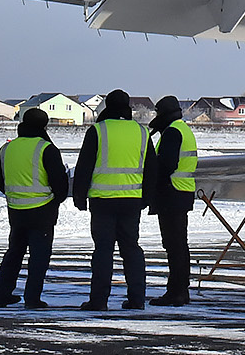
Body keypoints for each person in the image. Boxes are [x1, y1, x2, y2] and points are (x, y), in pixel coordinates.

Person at [72, 89, 147, 310]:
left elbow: (84, 166)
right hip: (132, 199)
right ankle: (137, 299)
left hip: (103, 201)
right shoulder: (141, 132)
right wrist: (147, 198)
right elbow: (151, 167)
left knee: (103, 251)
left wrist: (79, 195)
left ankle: (99, 300)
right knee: (131, 249)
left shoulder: (98, 131)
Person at [0, 107, 68, 308]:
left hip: (16, 209)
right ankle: (32, 298)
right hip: (42, 210)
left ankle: (2, 294)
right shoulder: (46, 148)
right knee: (39, 257)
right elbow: (60, 182)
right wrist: (56, 199)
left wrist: (14, 194)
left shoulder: (7, 148)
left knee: (14, 253)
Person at [144, 95, 198, 306]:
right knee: (179, 246)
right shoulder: (182, 129)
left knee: (174, 246)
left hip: (171, 193)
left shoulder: (172, 132)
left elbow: (167, 164)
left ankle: (176, 292)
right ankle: (180, 290)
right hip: (181, 193)